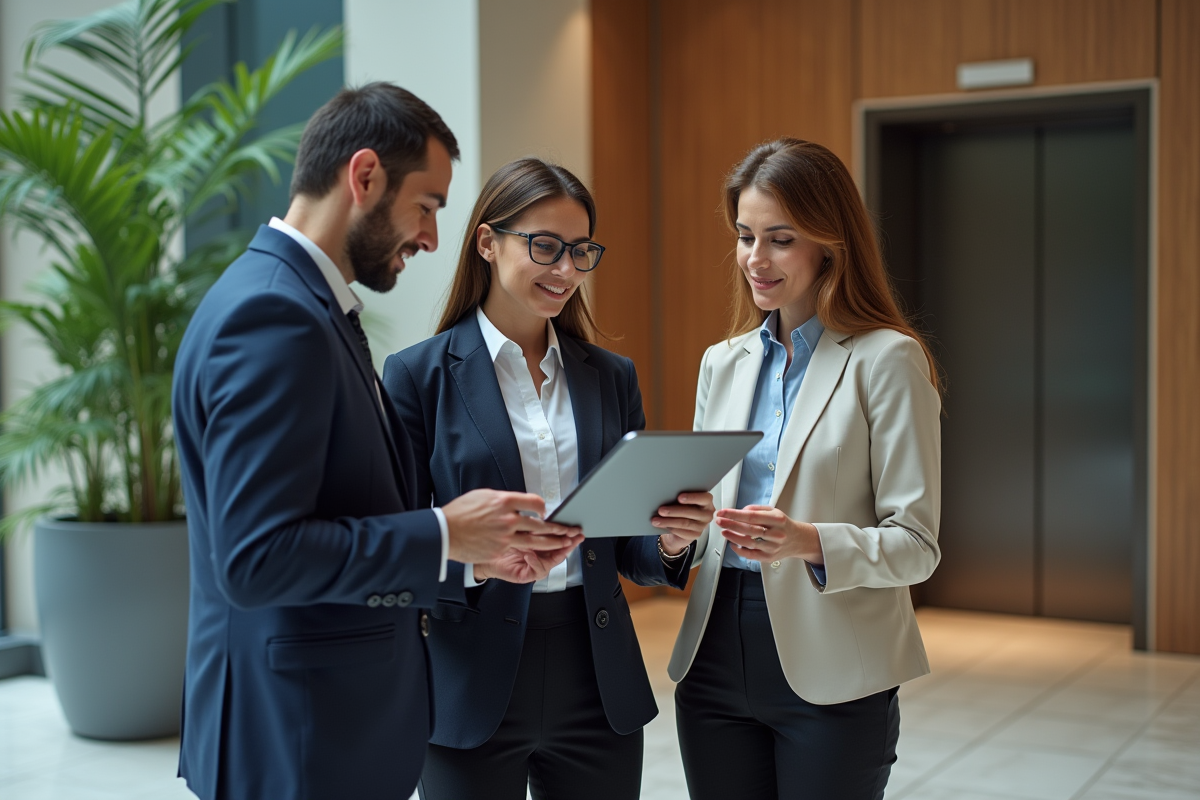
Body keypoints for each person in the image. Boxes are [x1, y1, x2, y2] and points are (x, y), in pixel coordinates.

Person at [172, 84, 581, 800]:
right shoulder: (275, 315)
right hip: (299, 738)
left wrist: (463, 555)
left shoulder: (297, 301)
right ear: (363, 177)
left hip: (317, 728)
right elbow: (256, 559)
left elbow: (337, 518)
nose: (430, 238)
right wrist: (440, 531)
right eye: (426, 206)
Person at [382, 157, 715, 800]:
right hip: (469, 678)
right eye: (545, 247)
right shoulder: (417, 376)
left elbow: (628, 548)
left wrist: (672, 540)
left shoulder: (611, 376)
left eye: (581, 251)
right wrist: (481, 564)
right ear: (487, 241)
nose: (566, 271)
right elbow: (398, 545)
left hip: (596, 679)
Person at [667, 138, 943, 800]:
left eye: (780, 239)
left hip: (835, 665)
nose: (755, 260)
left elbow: (918, 546)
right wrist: (677, 536)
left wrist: (808, 540)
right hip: (712, 656)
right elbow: (711, 519)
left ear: (829, 243)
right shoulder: (721, 362)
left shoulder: (887, 360)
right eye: (745, 236)